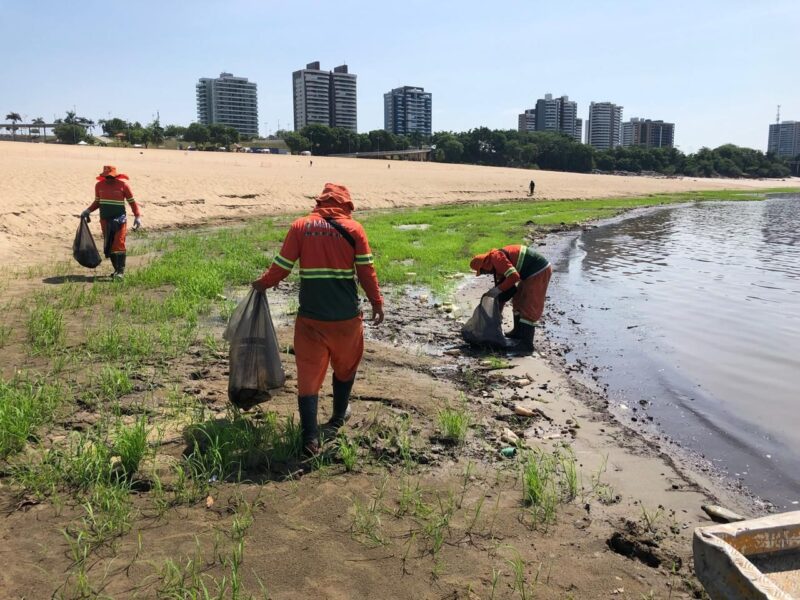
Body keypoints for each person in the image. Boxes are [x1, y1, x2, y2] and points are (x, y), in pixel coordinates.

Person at [252, 183, 384, 455]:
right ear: (346, 204)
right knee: (346, 368)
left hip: (310, 319)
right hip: (346, 319)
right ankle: (337, 418)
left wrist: (262, 285)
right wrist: (377, 302)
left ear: (320, 202)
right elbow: (366, 271)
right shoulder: (355, 230)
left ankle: (310, 438)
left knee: (309, 377)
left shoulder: (300, 227)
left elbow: (281, 268)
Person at [469, 244, 552, 353]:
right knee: (518, 301)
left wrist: (496, 290)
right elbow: (503, 294)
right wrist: (497, 315)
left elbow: (514, 277)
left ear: (485, 263)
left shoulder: (497, 259)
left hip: (539, 271)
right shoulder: (496, 266)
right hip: (528, 273)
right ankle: (517, 333)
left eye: (483, 271)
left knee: (529, 305)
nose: (486, 273)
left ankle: (526, 345)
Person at [80, 165, 141, 278]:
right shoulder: (99, 186)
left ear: (116, 176)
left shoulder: (123, 185)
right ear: (103, 176)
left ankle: (121, 272)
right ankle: (116, 270)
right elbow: (97, 202)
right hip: (105, 220)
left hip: (120, 219)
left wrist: (137, 217)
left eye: (111, 176)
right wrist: (87, 211)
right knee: (110, 244)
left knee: (119, 243)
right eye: (106, 176)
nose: (109, 179)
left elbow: (132, 202)